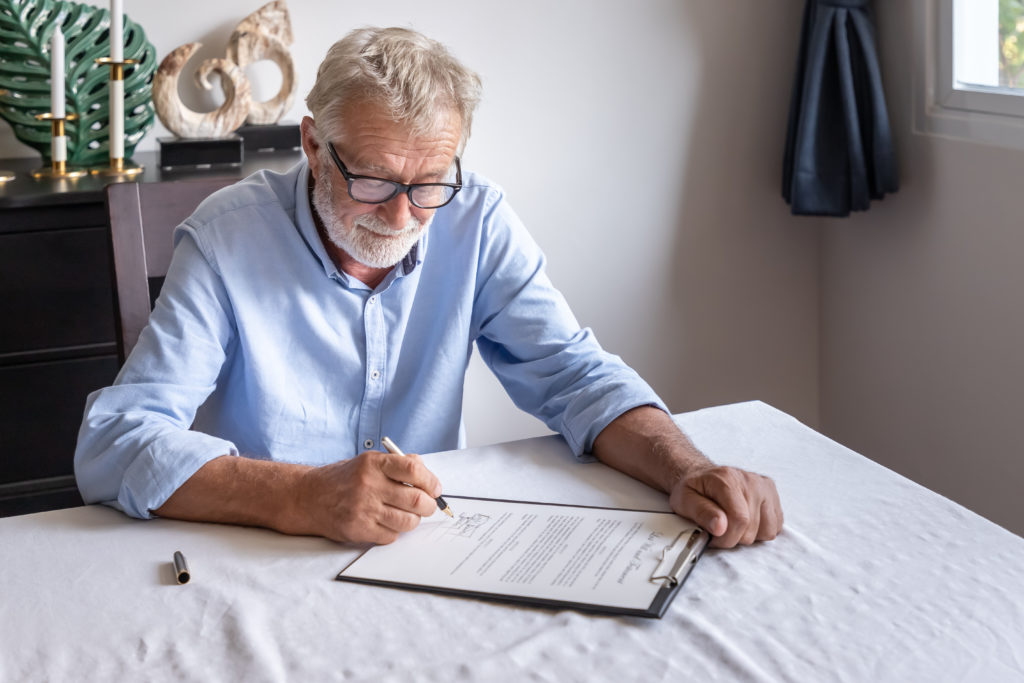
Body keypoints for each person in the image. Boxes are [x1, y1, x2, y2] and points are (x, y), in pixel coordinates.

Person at [75, 27, 782, 549]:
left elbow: (576, 376)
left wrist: (688, 469)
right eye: (376, 180)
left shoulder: (476, 218)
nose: (403, 214)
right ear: (314, 146)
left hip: (424, 552)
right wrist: (299, 494)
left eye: (430, 183)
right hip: (256, 550)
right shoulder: (226, 238)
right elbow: (114, 442)